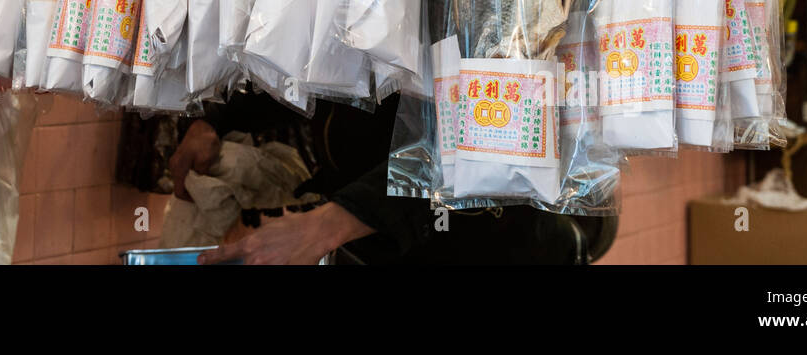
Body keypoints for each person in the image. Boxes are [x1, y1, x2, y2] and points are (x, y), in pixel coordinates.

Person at [167, 91, 615, 265]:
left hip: (334, 167)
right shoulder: (535, 231)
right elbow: (459, 164)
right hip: (339, 130)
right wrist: (219, 117)